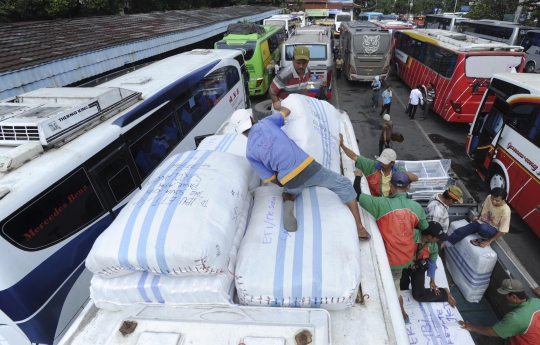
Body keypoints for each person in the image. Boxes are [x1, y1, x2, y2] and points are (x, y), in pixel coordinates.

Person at [231, 107, 371, 241]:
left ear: (240, 131)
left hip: (288, 179)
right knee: (344, 184)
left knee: (289, 191)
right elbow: (287, 111)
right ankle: (359, 228)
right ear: (252, 119)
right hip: (308, 167)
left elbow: (271, 178)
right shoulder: (267, 122)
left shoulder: (249, 153)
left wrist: (284, 182)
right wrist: (281, 107)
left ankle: (289, 199)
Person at [356, 171, 429, 323]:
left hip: (390, 259)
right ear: (408, 187)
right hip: (406, 257)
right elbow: (424, 226)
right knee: (396, 282)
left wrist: (357, 176)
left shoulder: (381, 204)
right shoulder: (416, 207)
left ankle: (401, 314)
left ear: (390, 184)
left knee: (393, 287)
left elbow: (357, 194)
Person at [400, 221, 457, 321]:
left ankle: (444, 293)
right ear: (429, 236)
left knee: (419, 295)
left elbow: (432, 263)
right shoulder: (410, 235)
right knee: (402, 287)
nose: (439, 239)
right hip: (403, 265)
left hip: (419, 267)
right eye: (437, 237)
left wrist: (432, 281)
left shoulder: (434, 246)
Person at [459, 279, 540, 344]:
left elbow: (493, 332)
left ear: (514, 296)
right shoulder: (536, 301)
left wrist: (472, 327)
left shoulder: (515, 318)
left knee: (488, 337)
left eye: (506, 295)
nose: (505, 297)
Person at [340, 138, 419, 197]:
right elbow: (354, 156)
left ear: (392, 163)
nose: (381, 164)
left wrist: (400, 173)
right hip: (376, 202)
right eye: (381, 161)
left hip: (391, 202)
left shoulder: (398, 171)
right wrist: (342, 145)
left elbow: (415, 178)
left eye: (385, 162)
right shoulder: (371, 166)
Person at [443, 187, 510, 249]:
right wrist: (478, 216)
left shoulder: (506, 211)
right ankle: (444, 244)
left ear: (503, 200)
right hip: (481, 222)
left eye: (497, 200)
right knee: (461, 231)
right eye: (493, 198)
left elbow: (502, 230)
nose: (493, 201)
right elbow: (484, 208)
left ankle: (484, 238)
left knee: (483, 228)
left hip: (492, 228)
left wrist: (489, 241)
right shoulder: (489, 197)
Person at [269, 46, 311, 111]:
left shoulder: (308, 71)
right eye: (298, 63)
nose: (301, 66)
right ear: (293, 59)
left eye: (304, 63)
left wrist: (308, 101)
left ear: (308, 61)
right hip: (282, 108)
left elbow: (303, 88)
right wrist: (276, 103)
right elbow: (272, 91)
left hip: (295, 108)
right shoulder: (284, 75)